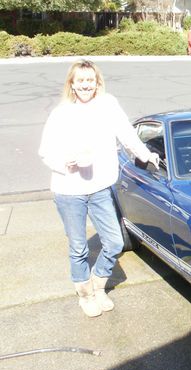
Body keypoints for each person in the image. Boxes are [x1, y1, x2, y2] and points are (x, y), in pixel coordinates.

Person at [39, 60, 159, 318]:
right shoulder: (61, 113)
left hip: (100, 187)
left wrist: (146, 154)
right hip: (69, 190)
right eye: (80, 81)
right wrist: (63, 163)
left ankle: (97, 284)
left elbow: (127, 134)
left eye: (90, 80)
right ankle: (85, 294)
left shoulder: (108, 105)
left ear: (97, 82)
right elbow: (45, 151)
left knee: (115, 241)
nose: (86, 85)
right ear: (72, 83)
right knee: (79, 247)